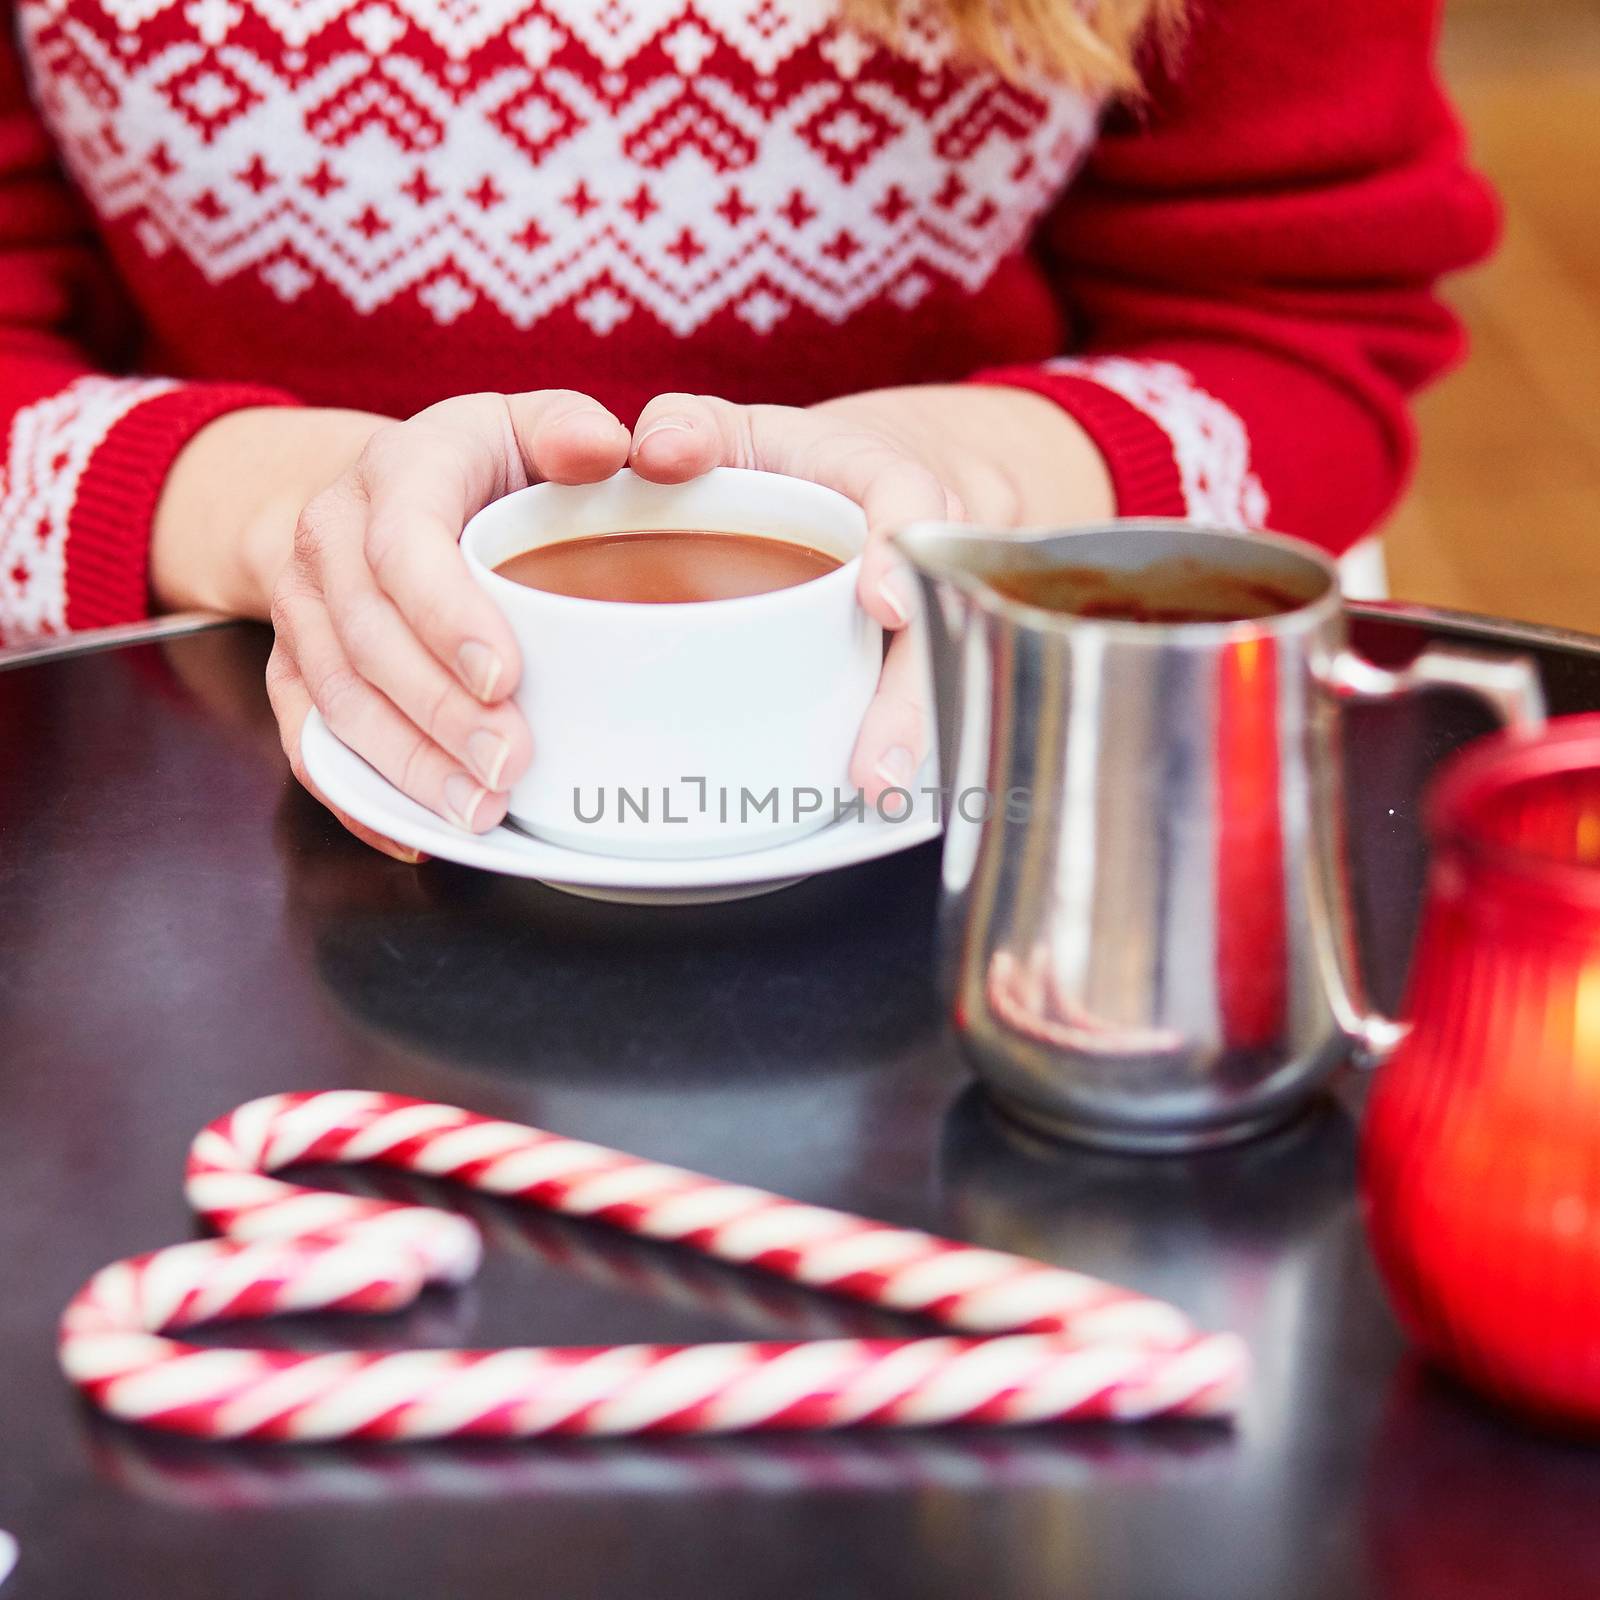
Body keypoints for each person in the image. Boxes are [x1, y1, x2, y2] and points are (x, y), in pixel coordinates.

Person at [0, 0, 1492, 856]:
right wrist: (290, 518)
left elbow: (1299, 327)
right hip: (164, 819)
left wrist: (971, 490)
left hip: (986, 826)